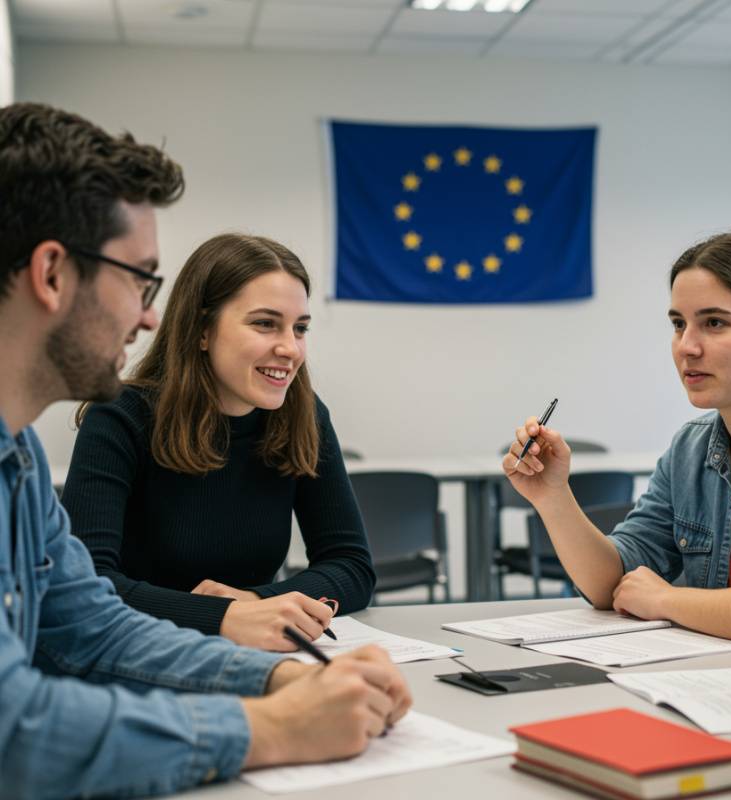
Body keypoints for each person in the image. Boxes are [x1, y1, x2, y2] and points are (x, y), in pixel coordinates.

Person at [0, 102, 410, 799]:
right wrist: (273, 727)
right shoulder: (116, 419)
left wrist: (284, 676)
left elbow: (93, 628)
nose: (149, 314)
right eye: (138, 279)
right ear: (52, 273)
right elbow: (16, 732)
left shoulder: (22, 461)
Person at [62, 233, 375, 651]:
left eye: (299, 328)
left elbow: (352, 566)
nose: (290, 348)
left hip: (253, 654)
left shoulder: (303, 413)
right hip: (135, 653)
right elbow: (87, 584)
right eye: (265, 323)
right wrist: (225, 617)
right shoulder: (121, 416)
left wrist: (256, 603)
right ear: (202, 330)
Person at [504, 229, 731, 650]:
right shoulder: (690, 449)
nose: (687, 347)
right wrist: (552, 496)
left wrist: (666, 599)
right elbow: (613, 583)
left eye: (714, 323)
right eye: (679, 324)